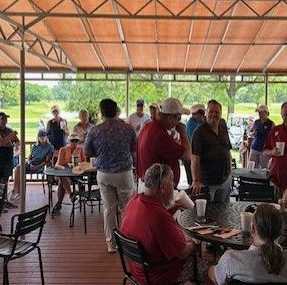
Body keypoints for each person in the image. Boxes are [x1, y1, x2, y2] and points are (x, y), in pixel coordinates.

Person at [121, 163, 213, 285]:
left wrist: (175, 207)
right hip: (156, 273)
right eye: (172, 182)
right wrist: (194, 242)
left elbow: (154, 223)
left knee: (184, 250)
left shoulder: (135, 201)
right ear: (162, 187)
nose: (174, 185)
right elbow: (181, 252)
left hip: (136, 268)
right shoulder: (159, 217)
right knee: (210, 270)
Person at [84, 99, 137, 253]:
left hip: (104, 173)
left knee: (109, 209)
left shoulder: (95, 131)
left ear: (101, 112)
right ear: (117, 111)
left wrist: (101, 154)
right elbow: (134, 150)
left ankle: (111, 244)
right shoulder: (127, 128)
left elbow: (87, 152)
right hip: (124, 173)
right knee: (126, 208)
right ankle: (127, 242)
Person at [136, 97, 190, 191]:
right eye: (178, 118)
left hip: (149, 184)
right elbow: (187, 156)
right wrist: (183, 132)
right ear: (170, 118)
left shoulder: (148, 127)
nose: (179, 122)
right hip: (157, 189)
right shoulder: (160, 135)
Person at [191, 100, 233, 203]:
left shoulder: (222, 125)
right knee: (210, 214)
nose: (214, 114)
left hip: (225, 180)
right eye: (211, 111)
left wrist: (230, 170)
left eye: (217, 112)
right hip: (208, 183)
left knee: (224, 211)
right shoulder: (199, 132)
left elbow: (227, 149)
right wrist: (196, 180)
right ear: (206, 113)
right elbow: (195, 158)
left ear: (221, 113)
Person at [12, 130, 54, 202]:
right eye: (40, 137)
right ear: (38, 138)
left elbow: (46, 161)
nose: (42, 138)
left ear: (46, 137)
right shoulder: (35, 146)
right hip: (31, 164)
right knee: (18, 168)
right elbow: (29, 157)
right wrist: (29, 162)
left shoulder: (49, 147)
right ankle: (17, 191)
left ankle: (18, 192)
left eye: (43, 136)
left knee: (20, 170)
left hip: (40, 165)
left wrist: (37, 166)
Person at [52, 133, 86, 214]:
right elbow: (59, 163)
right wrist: (69, 162)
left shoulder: (80, 149)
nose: (74, 143)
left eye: (76, 141)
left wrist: (78, 163)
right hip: (63, 172)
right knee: (62, 178)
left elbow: (84, 162)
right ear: (68, 141)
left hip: (76, 173)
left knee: (61, 183)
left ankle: (59, 205)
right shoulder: (63, 150)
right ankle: (71, 195)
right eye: (72, 141)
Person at [0, 112, 19, 185]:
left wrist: (13, 145)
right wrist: (11, 136)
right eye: (2, 119)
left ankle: (5, 195)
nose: (4, 120)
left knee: (6, 179)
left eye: (5, 119)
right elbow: (0, 143)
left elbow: (18, 141)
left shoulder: (9, 130)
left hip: (8, 157)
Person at [184, 104, 206, 185]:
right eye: (201, 113)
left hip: (192, 156)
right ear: (195, 114)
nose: (203, 116)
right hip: (191, 156)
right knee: (194, 182)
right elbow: (195, 141)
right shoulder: (192, 124)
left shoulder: (197, 124)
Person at [248, 104, 274, 169]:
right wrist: (252, 133)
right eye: (259, 113)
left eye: (261, 112)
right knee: (252, 168)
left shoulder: (271, 123)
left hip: (265, 150)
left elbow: (274, 136)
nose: (259, 114)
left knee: (264, 169)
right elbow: (250, 132)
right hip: (255, 147)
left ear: (266, 113)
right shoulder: (256, 122)